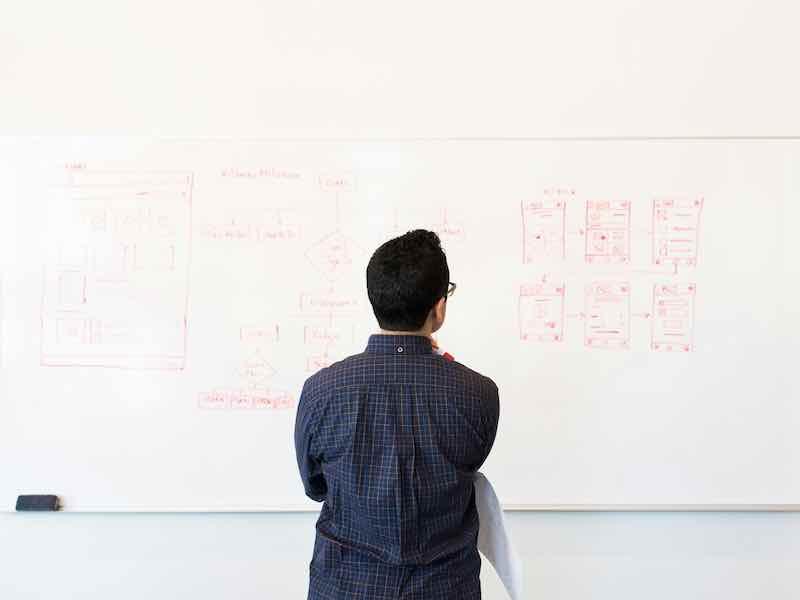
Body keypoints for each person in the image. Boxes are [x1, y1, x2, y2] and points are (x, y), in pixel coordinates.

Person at [295, 229, 500, 599]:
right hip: (445, 589)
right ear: (438, 307)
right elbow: (467, 468)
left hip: (345, 587)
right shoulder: (478, 394)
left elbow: (315, 487)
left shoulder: (321, 391)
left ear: (375, 300)